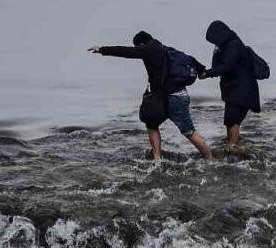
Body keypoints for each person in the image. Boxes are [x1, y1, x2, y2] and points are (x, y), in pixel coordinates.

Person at [88, 31, 214, 160]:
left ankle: (162, 159)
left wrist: (102, 49)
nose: (139, 50)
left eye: (139, 47)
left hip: (168, 98)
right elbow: (196, 65)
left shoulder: (149, 48)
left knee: (170, 128)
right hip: (177, 96)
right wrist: (207, 71)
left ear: (141, 44)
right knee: (162, 126)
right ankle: (206, 159)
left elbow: (127, 52)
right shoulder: (169, 50)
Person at [199, 20, 261, 153]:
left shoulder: (234, 45)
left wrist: (208, 73)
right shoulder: (223, 47)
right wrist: (215, 54)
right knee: (229, 119)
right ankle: (233, 143)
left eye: (214, 40)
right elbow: (217, 67)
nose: (214, 43)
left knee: (233, 119)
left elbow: (227, 67)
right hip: (234, 90)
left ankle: (233, 147)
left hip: (243, 89)